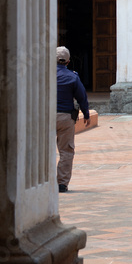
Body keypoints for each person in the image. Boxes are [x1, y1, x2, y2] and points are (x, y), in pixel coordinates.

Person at [55, 46, 89, 193]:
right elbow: (82, 97)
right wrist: (86, 114)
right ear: (68, 62)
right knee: (66, 151)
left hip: (44, 118)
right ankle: (61, 183)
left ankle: (43, 181)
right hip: (66, 118)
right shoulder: (73, 77)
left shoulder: (43, 76)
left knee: (42, 150)